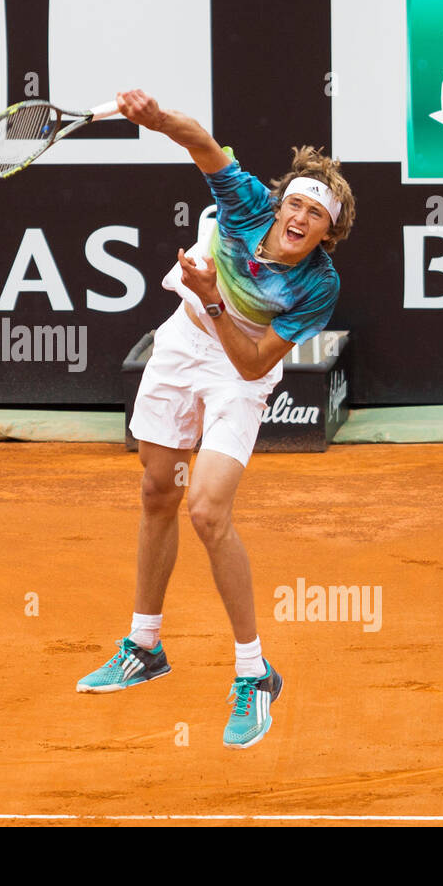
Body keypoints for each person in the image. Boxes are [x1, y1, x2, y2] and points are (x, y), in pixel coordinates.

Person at [75, 89, 356, 749]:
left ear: (326, 232)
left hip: (238, 367)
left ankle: (254, 672)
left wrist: (216, 300)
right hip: (183, 342)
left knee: (207, 511)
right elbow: (201, 141)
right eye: (297, 202)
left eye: (316, 215)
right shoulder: (245, 202)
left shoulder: (317, 285)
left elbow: (256, 363)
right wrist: (155, 118)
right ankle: (145, 645)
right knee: (156, 491)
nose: (301, 217)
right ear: (280, 200)